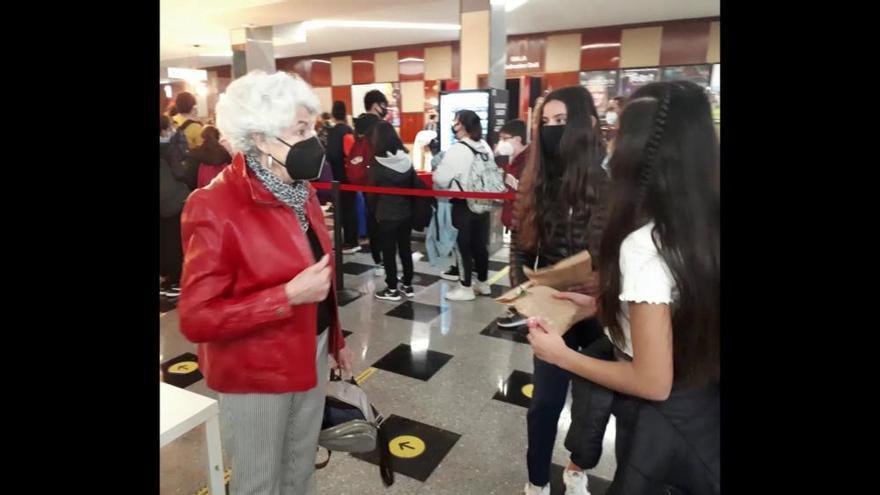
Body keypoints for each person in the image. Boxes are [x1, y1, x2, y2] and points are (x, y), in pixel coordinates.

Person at [527, 81, 720, 494]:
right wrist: (598, 307)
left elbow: (652, 379)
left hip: (667, 425)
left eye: (618, 135)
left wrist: (560, 355)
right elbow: (675, 312)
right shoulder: (703, 223)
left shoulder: (645, 245)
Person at [177, 70, 354, 495]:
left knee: (301, 467)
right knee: (259, 482)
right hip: (255, 369)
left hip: (308, 349)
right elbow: (196, 318)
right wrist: (287, 296)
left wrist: (334, 343)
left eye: (313, 127)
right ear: (259, 138)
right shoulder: (214, 205)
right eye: (301, 129)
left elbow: (319, 272)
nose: (315, 140)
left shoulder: (301, 190)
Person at [510, 85, 611, 495]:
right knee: (544, 404)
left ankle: (576, 468)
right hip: (552, 308)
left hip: (598, 312)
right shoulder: (537, 182)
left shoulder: (611, 185)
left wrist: (601, 285)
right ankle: (536, 482)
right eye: (546, 123)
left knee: (593, 409)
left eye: (562, 122)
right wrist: (522, 290)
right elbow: (519, 242)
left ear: (586, 126)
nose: (553, 131)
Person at [433, 109, 495, 302]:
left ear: (464, 126)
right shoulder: (484, 146)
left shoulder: (458, 149)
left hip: (463, 205)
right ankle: (483, 283)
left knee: (463, 247)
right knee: (480, 245)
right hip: (484, 203)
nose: (454, 125)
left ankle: (465, 286)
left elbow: (441, 178)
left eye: (456, 122)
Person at [367, 121, 416, 301]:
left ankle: (392, 288)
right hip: (406, 212)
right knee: (405, 248)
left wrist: (373, 211)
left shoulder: (377, 163)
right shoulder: (406, 159)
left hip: (386, 214)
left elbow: (371, 193)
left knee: (388, 251)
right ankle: (408, 284)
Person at [347, 89, 390, 276]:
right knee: (385, 221)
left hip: (365, 181)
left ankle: (378, 260)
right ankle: (386, 261)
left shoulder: (357, 126)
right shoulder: (380, 126)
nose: (385, 108)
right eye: (383, 105)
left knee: (372, 219)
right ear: (375, 105)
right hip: (381, 179)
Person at [159, 115, 192, 298]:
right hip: (172, 200)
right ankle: (175, 280)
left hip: (165, 202)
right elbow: (181, 172)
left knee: (166, 241)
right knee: (173, 241)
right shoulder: (168, 147)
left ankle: (169, 278)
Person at [326, 101, 360, 254]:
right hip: (349, 177)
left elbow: (332, 155)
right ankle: (350, 240)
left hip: (338, 177)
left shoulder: (334, 132)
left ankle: (350, 241)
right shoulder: (349, 130)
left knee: (343, 210)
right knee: (349, 209)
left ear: (333, 114)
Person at [182, 125, 233, 190]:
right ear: (218, 137)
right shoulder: (227, 153)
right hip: (224, 189)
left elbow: (190, 178)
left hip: (202, 191)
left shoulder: (194, 154)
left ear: (202, 137)